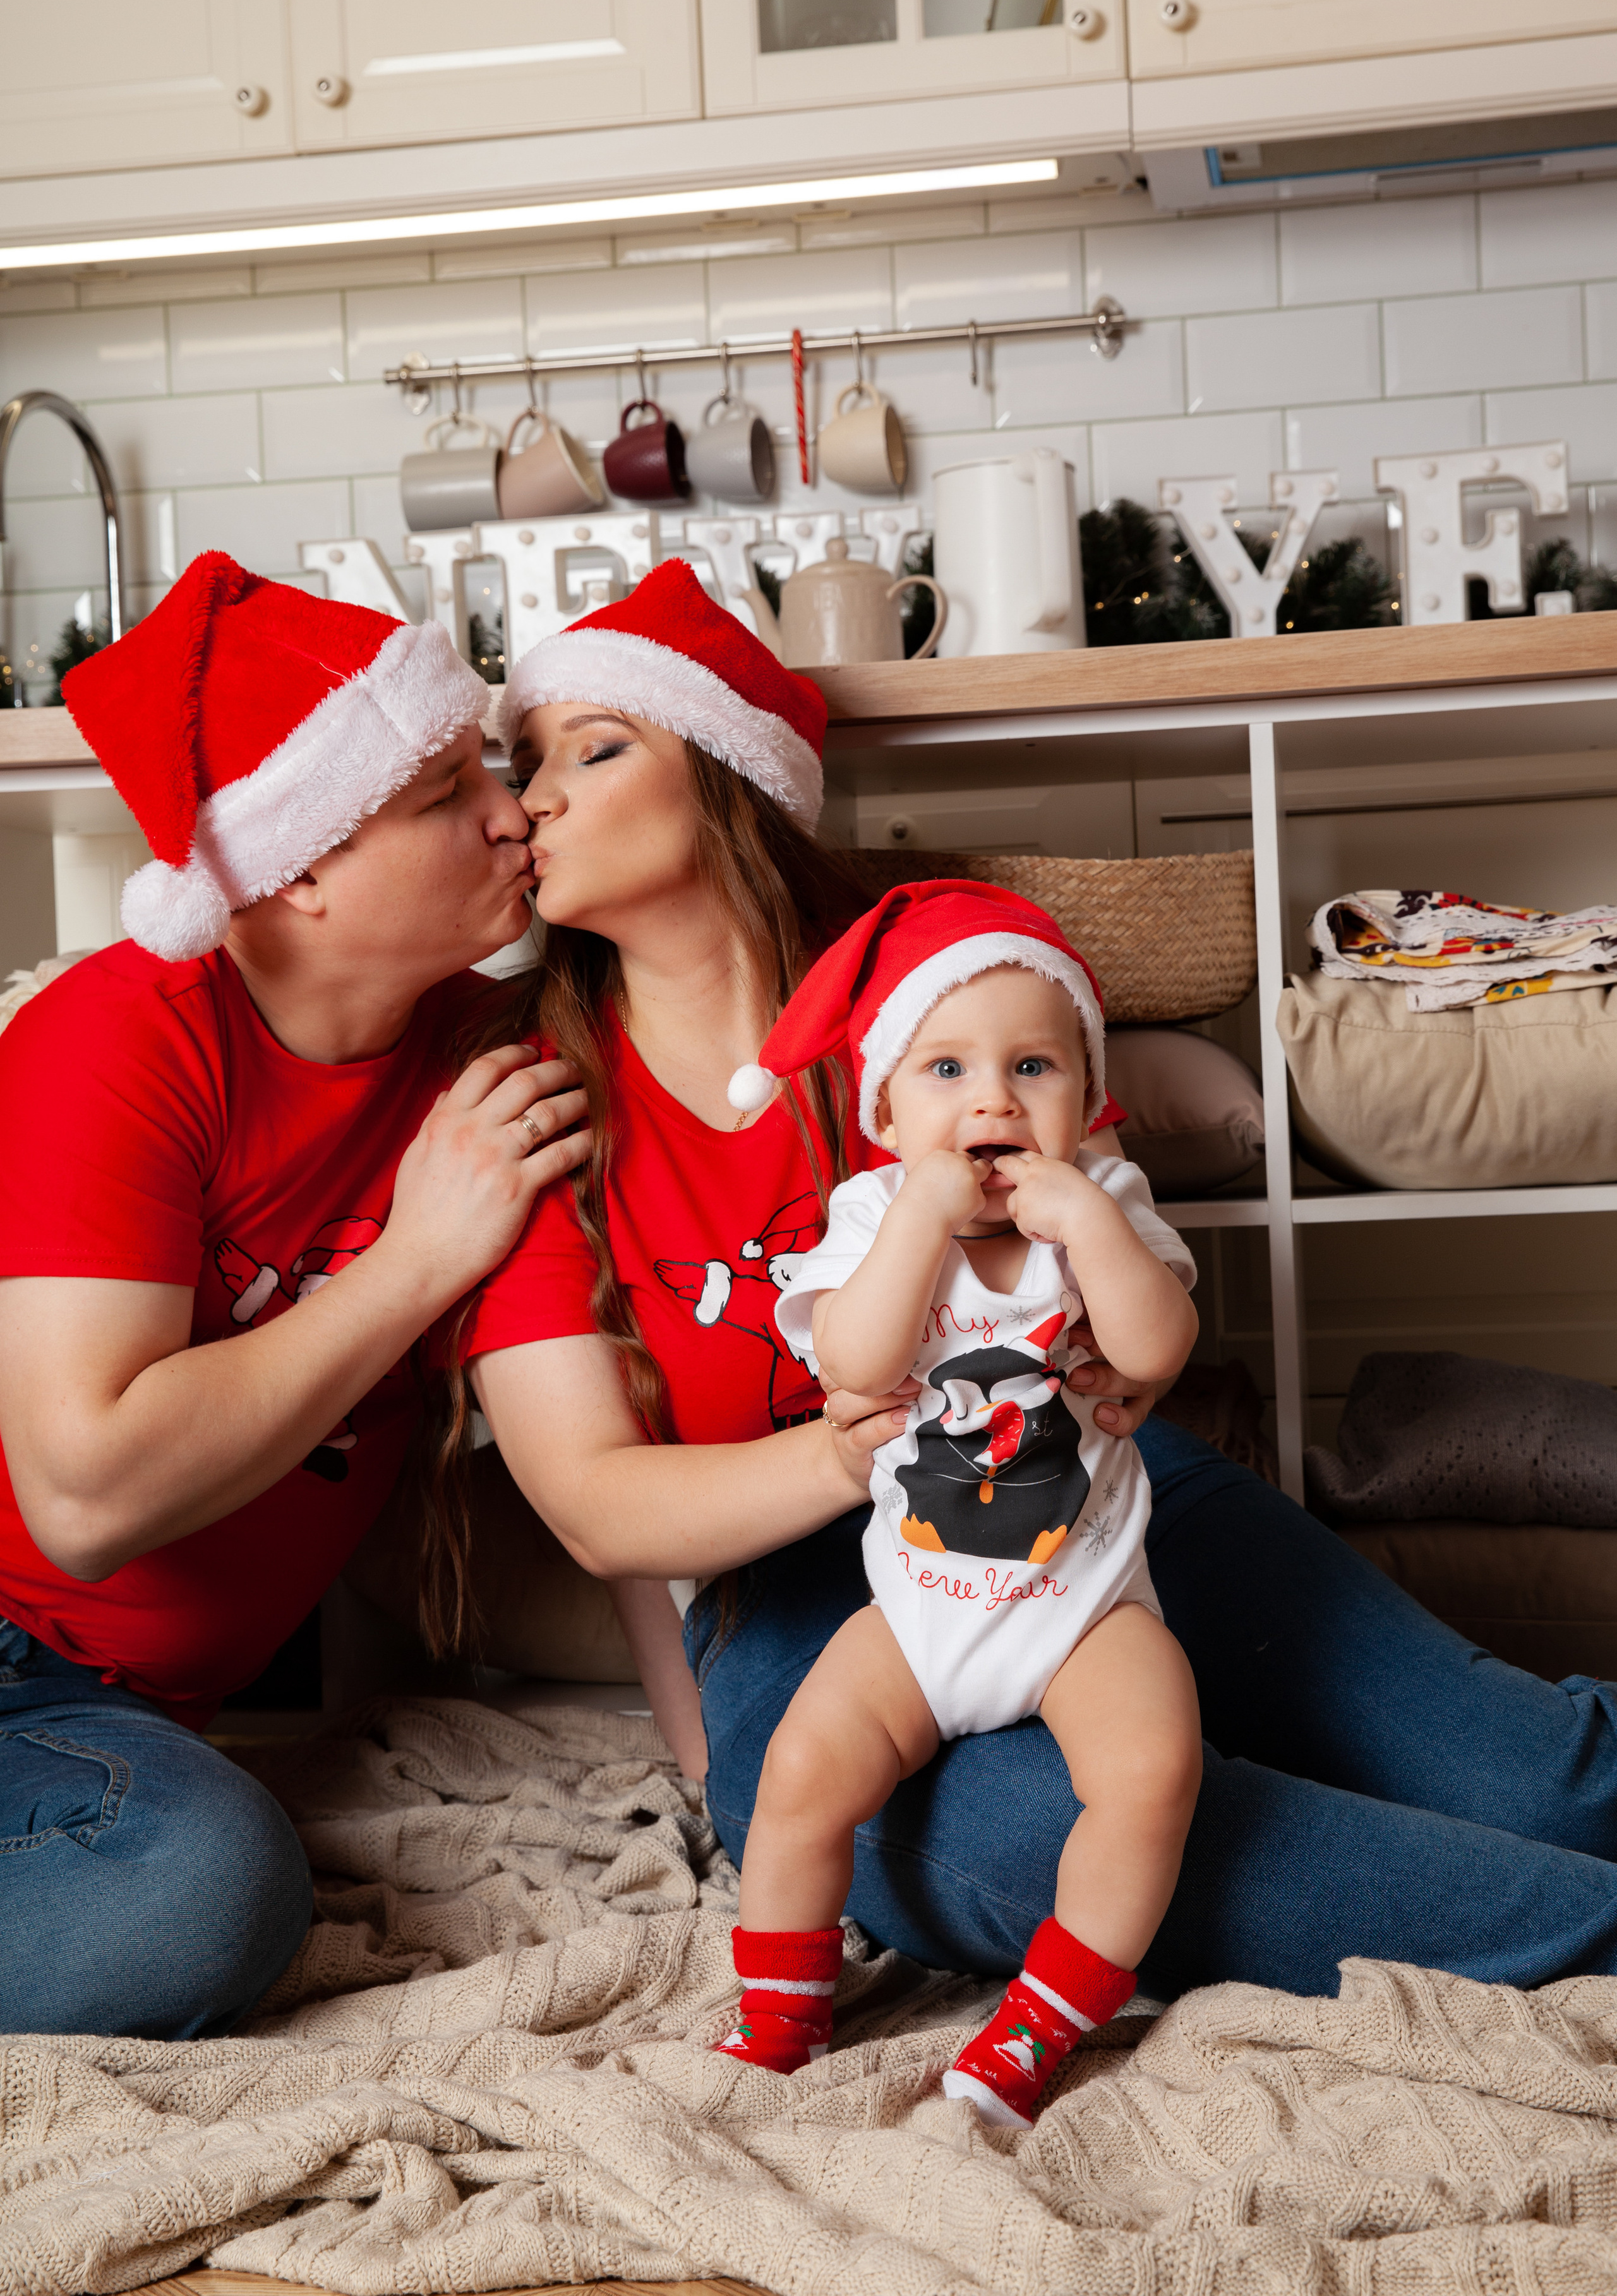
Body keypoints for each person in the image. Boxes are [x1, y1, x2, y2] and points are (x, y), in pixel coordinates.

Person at [465, 554, 1617, 2014]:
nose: (533, 799)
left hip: (1101, 1506)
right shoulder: (532, 1107)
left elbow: (1118, 1278)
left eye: (594, 745)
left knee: (1535, 1771)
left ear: (726, 774)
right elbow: (593, 1504)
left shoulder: (958, 1000)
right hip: (805, 1599)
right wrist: (842, 1463)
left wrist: (1114, 1352)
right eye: (521, 764)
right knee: (1071, 1838)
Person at [0, 552, 589, 2037]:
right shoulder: (118, 1040)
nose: (510, 811)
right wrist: (410, 1268)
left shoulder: (480, 1054)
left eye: (494, 770)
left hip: (98, 1720)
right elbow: (83, 1492)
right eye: (444, 789)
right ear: (297, 865)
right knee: (198, 1895)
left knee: (196, 1883)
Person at [711, 881, 1203, 2126]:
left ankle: (1041, 2026)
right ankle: (776, 2015)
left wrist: (1087, 1220)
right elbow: (855, 1366)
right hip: (922, 1606)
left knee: (1152, 1770)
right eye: (944, 1068)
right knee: (801, 1775)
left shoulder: (1102, 1202)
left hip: (1083, 1602)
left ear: (1084, 1101)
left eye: (1030, 1065)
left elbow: (1151, 1350)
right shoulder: (872, 1215)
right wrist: (921, 1222)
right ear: (882, 1108)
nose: (989, 1097)